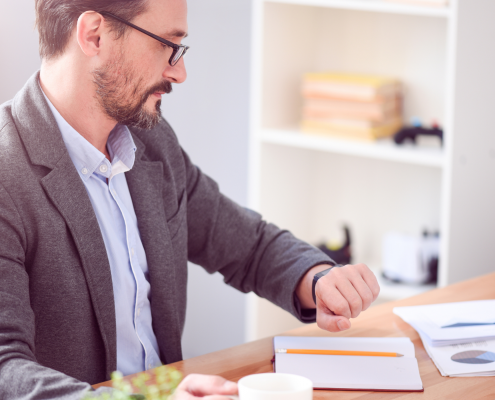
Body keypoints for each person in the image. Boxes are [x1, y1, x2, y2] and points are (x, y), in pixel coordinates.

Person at [0, 0, 380, 398]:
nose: (179, 73)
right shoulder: (8, 174)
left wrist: (316, 279)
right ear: (94, 35)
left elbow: (244, 244)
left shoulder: (149, 143)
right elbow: (6, 370)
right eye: (167, 45)